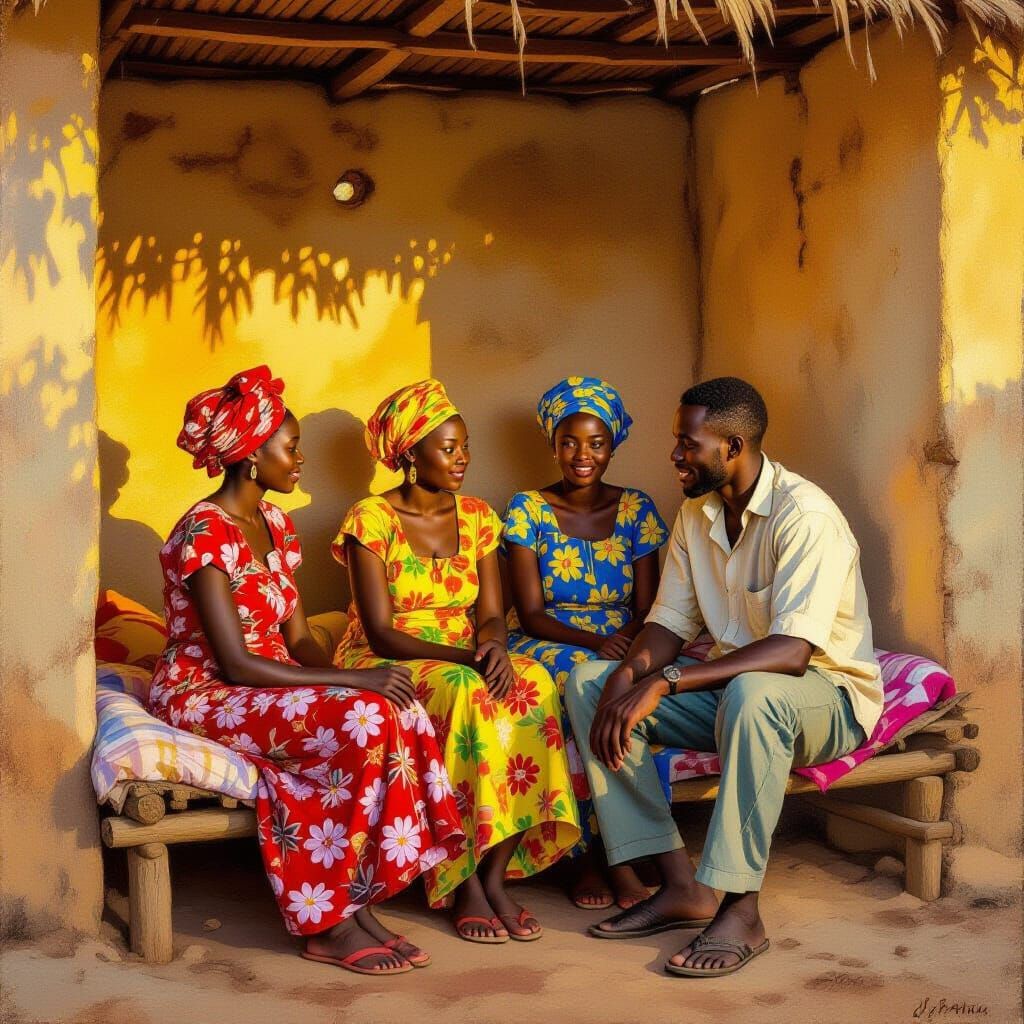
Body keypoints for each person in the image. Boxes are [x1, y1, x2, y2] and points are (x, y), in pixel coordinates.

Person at [149, 366, 465, 976]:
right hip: (203, 689)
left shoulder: (277, 526)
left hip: (264, 679)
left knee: (397, 706)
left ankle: (358, 902)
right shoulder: (203, 532)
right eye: (290, 448)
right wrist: (352, 683)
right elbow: (235, 662)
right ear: (249, 456)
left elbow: (297, 637)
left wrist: (354, 672)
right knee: (360, 716)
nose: (299, 461)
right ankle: (327, 923)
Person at [565, 377, 882, 977]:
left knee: (755, 691)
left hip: (826, 699)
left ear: (733, 446)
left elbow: (791, 653)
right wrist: (629, 673)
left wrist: (669, 682)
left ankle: (742, 909)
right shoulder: (696, 513)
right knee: (588, 682)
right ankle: (681, 883)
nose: (675, 455)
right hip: (732, 694)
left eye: (689, 443)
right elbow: (669, 624)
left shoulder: (805, 516)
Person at [332, 379, 580, 944]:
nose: (462, 457)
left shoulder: (477, 516)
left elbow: (492, 612)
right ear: (410, 454)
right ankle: (462, 879)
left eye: (465, 445)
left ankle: (495, 876)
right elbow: (380, 630)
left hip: (465, 650)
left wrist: (493, 645)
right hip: (392, 654)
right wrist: (469, 658)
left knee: (534, 682)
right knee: (464, 690)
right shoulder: (370, 520)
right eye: (448, 448)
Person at [503, 376, 668, 911]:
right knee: (576, 684)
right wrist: (599, 640)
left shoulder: (638, 510)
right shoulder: (527, 510)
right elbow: (529, 613)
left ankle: (623, 850)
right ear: (553, 443)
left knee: (614, 687)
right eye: (570, 442)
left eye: (596, 443)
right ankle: (588, 860)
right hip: (548, 639)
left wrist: (630, 644)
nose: (582, 455)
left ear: (612, 445)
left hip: (623, 637)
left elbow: (648, 608)